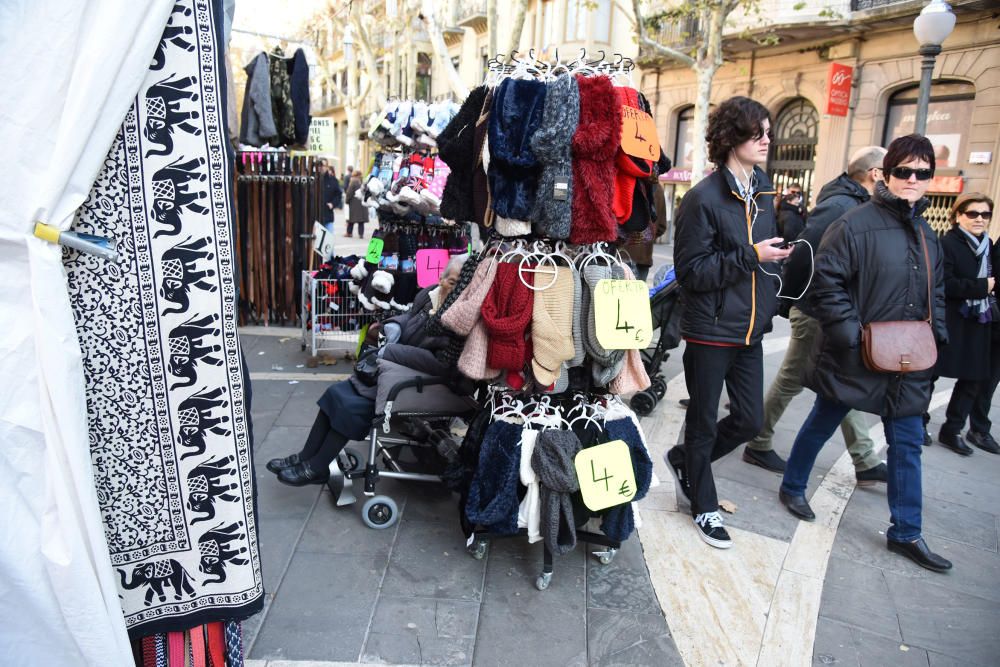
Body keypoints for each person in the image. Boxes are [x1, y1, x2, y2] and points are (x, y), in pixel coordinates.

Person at [778, 134, 952, 573]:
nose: (913, 180)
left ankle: (907, 532)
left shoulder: (929, 235)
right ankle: (793, 485)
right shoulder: (854, 223)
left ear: (931, 179)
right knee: (824, 419)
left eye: (922, 173)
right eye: (904, 171)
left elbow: (938, 294)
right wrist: (851, 337)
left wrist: (939, 337)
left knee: (908, 444)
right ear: (887, 174)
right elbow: (828, 283)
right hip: (858, 352)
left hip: (909, 359)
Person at [665, 96, 793, 549]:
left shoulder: (763, 189)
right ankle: (703, 503)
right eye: (756, 132)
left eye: (768, 132)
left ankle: (685, 460)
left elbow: (764, 255)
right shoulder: (703, 198)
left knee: (748, 419)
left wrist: (773, 276)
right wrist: (750, 256)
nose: (766, 140)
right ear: (731, 138)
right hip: (711, 328)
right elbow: (693, 272)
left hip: (751, 327)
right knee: (702, 420)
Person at [742, 146, 888, 486]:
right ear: (875, 173)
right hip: (817, 312)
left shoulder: (855, 203)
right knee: (793, 379)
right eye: (892, 169)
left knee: (841, 386)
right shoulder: (842, 205)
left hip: (834, 312)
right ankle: (758, 439)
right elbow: (808, 254)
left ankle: (865, 459)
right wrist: (793, 301)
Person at [266, 256, 467, 486]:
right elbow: (408, 317)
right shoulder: (430, 295)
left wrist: (393, 351)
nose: (451, 287)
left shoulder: (459, 316)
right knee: (337, 392)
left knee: (353, 407)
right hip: (398, 367)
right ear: (441, 277)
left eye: (459, 283)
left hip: (419, 378)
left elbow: (442, 363)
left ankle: (317, 467)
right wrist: (394, 325)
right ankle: (305, 458)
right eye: (450, 280)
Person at [934, 193, 998, 455]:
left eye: (985, 214)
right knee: (931, 373)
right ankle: (919, 423)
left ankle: (952, 430)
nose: (979, 219)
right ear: (958, 215)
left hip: (979, 320)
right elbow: (944, 283)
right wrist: (981, 287)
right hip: (951, 317)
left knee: (973, 378)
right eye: (973, 213)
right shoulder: (947, 244)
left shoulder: (988, 245)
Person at [970, 228, 1000, 453]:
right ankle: (977, 428)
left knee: (990, 379)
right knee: (980, 376)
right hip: (991, 319)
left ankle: (978, 427)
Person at [320, 159, 342, 225]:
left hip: (328, 216)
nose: (321, 167)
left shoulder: (333, 180)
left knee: (329, 234)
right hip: (314, 218)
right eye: (319, 165)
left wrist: (332, 204)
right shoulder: (313, 180)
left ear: (327, 167)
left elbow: (338, 194)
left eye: (323, 165)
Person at [345, 173, 366, 238]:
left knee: (351, 219)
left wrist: (347, 201)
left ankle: (349, 233)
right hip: (362, 203)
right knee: (361, 221)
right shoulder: (363, 181)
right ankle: (361, 234)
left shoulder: (353, 181)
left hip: (354, 203)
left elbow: (349, 192)